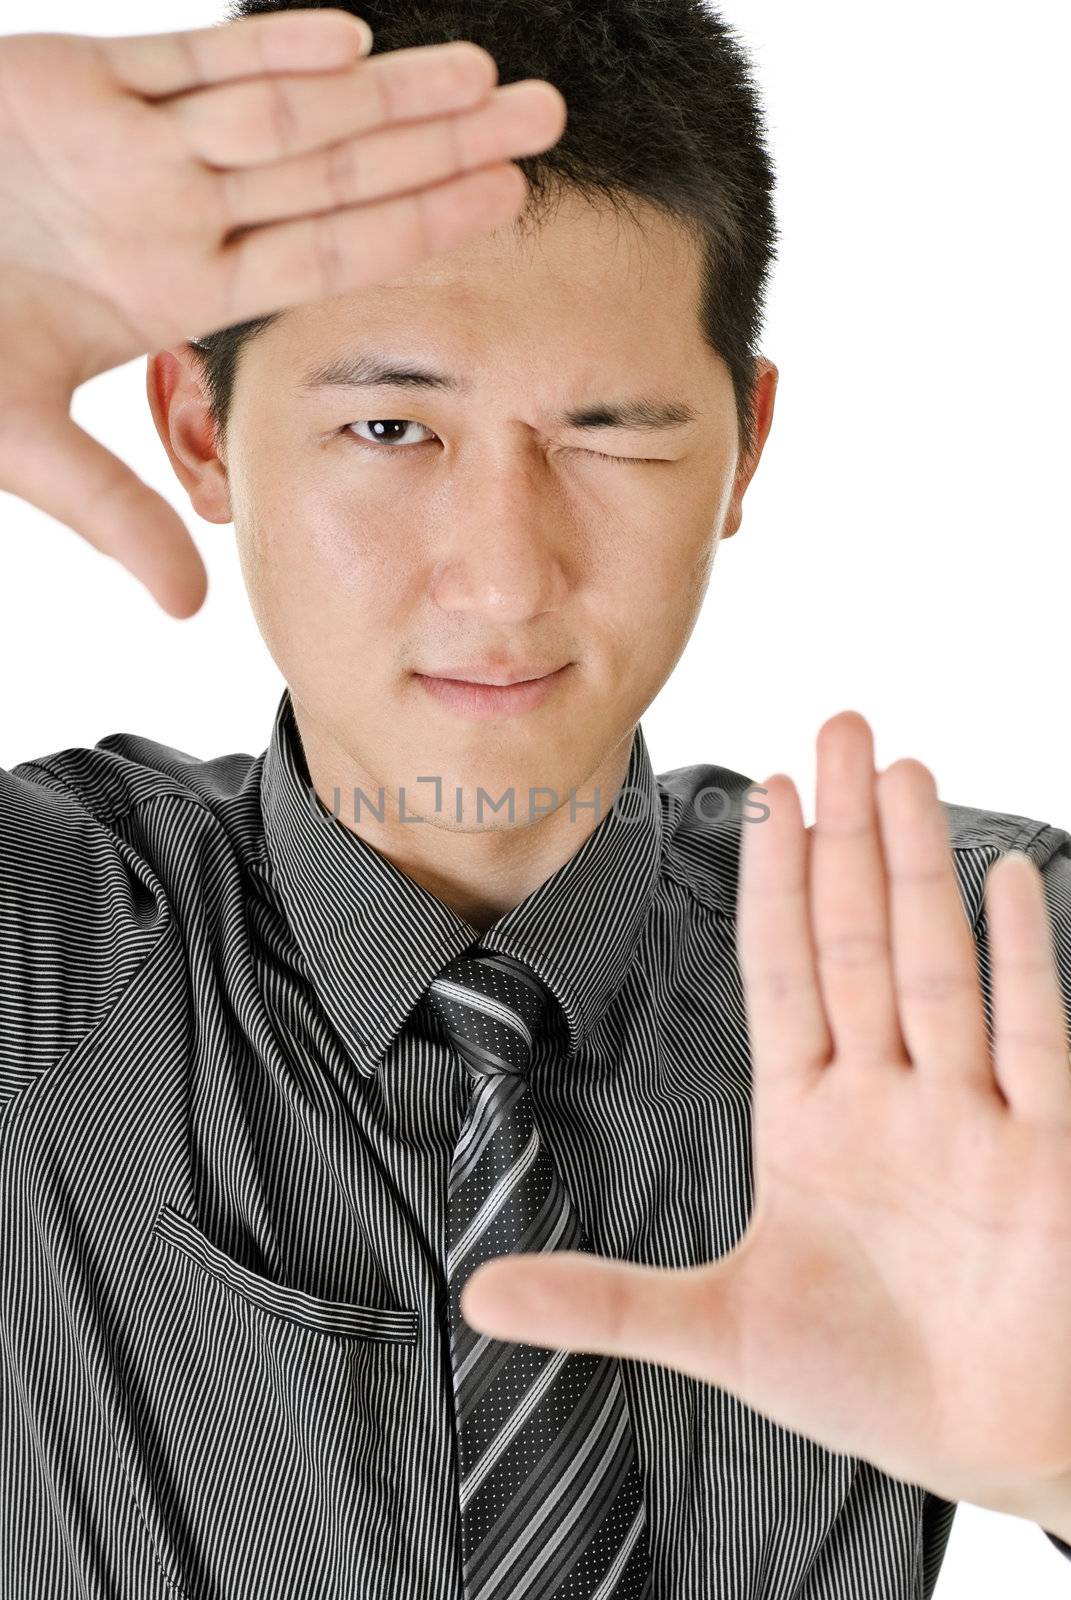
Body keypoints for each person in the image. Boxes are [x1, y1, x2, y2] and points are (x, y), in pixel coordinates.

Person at [1, 4, 1069, 1598]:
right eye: (388, 427)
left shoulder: (987, 987)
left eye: (609, 437)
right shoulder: (36, 952)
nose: (505, 577)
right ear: (199, 428)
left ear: (744, 449)